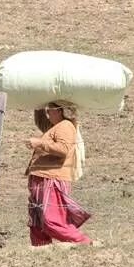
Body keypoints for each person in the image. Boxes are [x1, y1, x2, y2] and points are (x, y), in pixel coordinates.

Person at [24, 100, 95, 246]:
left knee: (52, 219)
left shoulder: (66, 126)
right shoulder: (54, 127)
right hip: (42, 178)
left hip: (52, 178)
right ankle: (41, 249)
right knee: (37, 221)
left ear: (60, 111)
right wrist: (39, 101)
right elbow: (41, 121)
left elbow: (63, 149)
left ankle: (84, 242)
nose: (47, 113)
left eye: (50, 110)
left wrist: (39, 143)